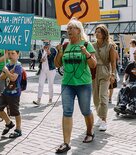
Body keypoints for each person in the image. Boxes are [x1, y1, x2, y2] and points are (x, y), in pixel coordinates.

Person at [54, 17, 97, 154]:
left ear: (78, 30)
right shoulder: (66, 45)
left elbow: (93, 65)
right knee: (67, 112)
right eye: (67, 29)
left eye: (71, 28)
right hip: (67, 84)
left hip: (83, 83)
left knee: (85, 110)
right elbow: (57, 64)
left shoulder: (86, 44)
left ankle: (90, 131)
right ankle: (66, 143)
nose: (68, 31)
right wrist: (59, 53)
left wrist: (86, 53)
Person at [92, 24, 116, 132]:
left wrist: (113, 74)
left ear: (104, 33)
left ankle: (104, 120)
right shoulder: (92, 45)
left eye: (99, 32)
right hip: (93, 72)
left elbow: (113, 62)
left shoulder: (110, 46)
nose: (97, 34)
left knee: (103, 96)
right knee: (96, 98)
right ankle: (99, 116)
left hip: (105, 72)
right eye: (96, 32)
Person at [0, 50, 22, 138]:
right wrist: (7, 71)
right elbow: (1, 77)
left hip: (14, 93)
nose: (10, 55)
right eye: (9, 53)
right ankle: (9, 123)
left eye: (13, 53)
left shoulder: (18, 66)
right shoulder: (7, 65)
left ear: (18, 55)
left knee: (15, 111)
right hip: (6, 92)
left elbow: (13, 78)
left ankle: (18, 129)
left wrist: (6, 71)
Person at [33, 41, 57, 105]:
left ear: (49, 43)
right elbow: (38, 59)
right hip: (43, 70)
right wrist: (40, 60)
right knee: (40, 84)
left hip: (51, 70)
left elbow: (54, 59)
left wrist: (49, 54)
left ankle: (50, 99)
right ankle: (38, 99)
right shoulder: (41, 51)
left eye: (47, 44)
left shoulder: (53, 49)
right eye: (44, 44)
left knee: (50, 84)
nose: (45, 45)